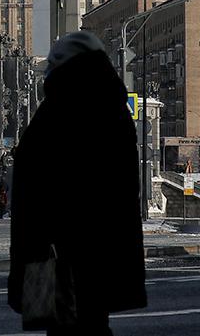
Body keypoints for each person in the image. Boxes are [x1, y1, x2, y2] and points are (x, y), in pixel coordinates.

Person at [8, 32, 146, 335]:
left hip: (58, 251)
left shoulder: (61, 110)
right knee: (92, 322)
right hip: (101, 250)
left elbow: (41, 188)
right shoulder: (112, 110)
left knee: (68, 326)